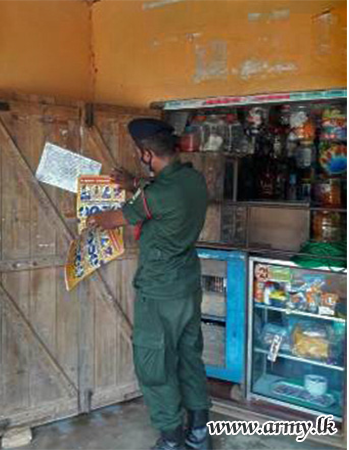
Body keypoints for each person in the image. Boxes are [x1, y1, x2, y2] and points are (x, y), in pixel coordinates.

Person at [87, 118, 212, 450]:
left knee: (154, 363)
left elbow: (115, 218)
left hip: (159, 291)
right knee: (189, 356)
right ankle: (199, 432)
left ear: (146, 154)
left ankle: (171, 439)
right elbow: (158, 195)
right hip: (187, 286)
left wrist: (90, 213)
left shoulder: (157, 194)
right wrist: (133, 183)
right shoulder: (193, 179)